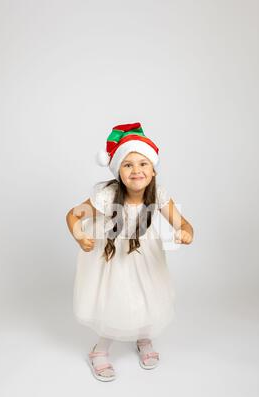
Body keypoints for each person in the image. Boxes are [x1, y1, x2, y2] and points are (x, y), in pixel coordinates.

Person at [66, 122, 194, 382]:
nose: (137, 170)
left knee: (147, 295)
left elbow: (182, 223)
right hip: (113, 259)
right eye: (128, 164)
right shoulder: (108, 194)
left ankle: (143, 336)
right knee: (116, 299)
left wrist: (185, 233)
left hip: (145, 257)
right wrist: (80, 236)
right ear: (118, 171)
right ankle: (100, 349)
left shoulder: (157, 194)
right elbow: (73, 215)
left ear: (153, 169)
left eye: (143, 163)